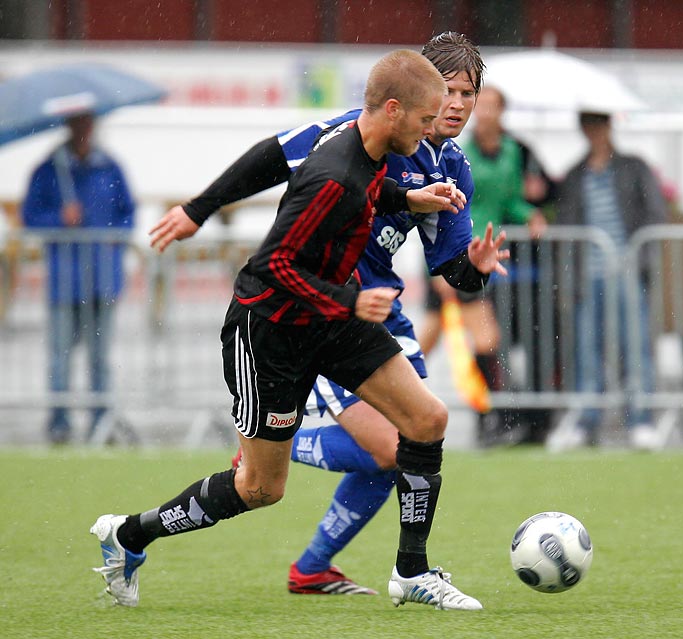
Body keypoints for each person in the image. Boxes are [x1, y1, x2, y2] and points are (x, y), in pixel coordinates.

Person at [91, 48, 493, 612]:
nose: (440, 124)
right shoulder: (330, 172)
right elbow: (274, 269)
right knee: (260, 489)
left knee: (426, 420)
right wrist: (200, 210)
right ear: (397, 110)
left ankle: (412, 571)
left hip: (335, 317)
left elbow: (376, 191)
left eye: (461, 98)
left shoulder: (383, 153)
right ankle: (130, 534)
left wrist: (419, 207)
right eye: (431, 113)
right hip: (271, 330)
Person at [418, 85, 546, 445]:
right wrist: (443, 266)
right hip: (454, 252)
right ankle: (492, 417)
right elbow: (439, 209)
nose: (485, 111)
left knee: (448, 339)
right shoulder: (457, 152)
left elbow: (509, 202)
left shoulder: (510, 152)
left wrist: (532, 214)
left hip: (478, 257)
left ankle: (492, 418)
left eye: (491, 105)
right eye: (482, 104)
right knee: (441, 340)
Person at [549, 110, 667, 451]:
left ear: (608, 126)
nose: (594, 132)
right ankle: (587, 420)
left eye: (598, 124)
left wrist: (641, 257)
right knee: (587, 349)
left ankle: (641, 420)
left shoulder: (633, 166)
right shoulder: (575, 174)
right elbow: (567, 227)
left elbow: (655, 212)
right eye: (588, 125)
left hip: (629, 271)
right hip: (588, 275)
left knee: (636, 346)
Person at [22, 112, 135, 444]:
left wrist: (114, 238)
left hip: (102, 278)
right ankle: (59, 422)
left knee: (100, 357)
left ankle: (100, 421)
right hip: (65, 280)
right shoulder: (49, 170)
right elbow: (30, 216)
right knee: (60, 355)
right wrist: (59, 218)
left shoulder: (110, 167)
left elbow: (127, 213)